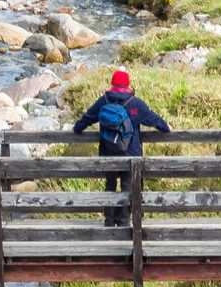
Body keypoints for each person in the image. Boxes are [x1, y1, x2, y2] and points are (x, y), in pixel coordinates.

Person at [72, 68, 170, 228]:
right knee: (127, 187)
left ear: (112, 84)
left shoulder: (104, 101)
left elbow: (87, 118)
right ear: (128, 84)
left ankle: (109, 221)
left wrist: (77, 128)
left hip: (108, 153)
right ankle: (124, 222)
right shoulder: (135, 104)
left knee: (110, 186)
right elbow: (155, 120)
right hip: (130, 155)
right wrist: (166, 127)